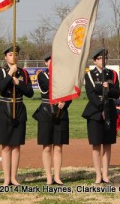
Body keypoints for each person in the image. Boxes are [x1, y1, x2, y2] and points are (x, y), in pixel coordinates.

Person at [0, 46, 34, 186]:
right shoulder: (0, 71)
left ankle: (14, 177)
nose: (13, 57)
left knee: (16, 146)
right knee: (5, 146)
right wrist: (10, 73)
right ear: (5, 57)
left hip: (19, 109)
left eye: (16, 54)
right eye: (10, 54)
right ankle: (6, 178)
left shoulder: (23, 72)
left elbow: (30, 93)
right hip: (4, 110)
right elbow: (1, 88)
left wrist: (19, 83)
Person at [32, 53, 71, 185]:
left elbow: (69, 93)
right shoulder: (42, 75)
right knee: (47, 146)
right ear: (45, 63)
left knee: (58, 146)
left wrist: (65, 103)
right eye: (49, 61)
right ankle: (49, 176)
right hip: (46, 112)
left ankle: (57, 176)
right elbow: (48, 87)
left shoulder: (64, 76)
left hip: (60, 112)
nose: (52, 63)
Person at [82, 48, 120, 184]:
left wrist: (108, 88)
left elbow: (117, 93)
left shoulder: (113, 74)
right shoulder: (90, 75)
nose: (103, 61)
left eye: (105, 58)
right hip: (95, 111)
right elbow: (90, 93)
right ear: (94, 61)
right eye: (99, 59)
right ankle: (98, 175)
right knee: (96, 144)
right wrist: (101, 107)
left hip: (109, 108)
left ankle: (106, 174)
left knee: (107, 143)